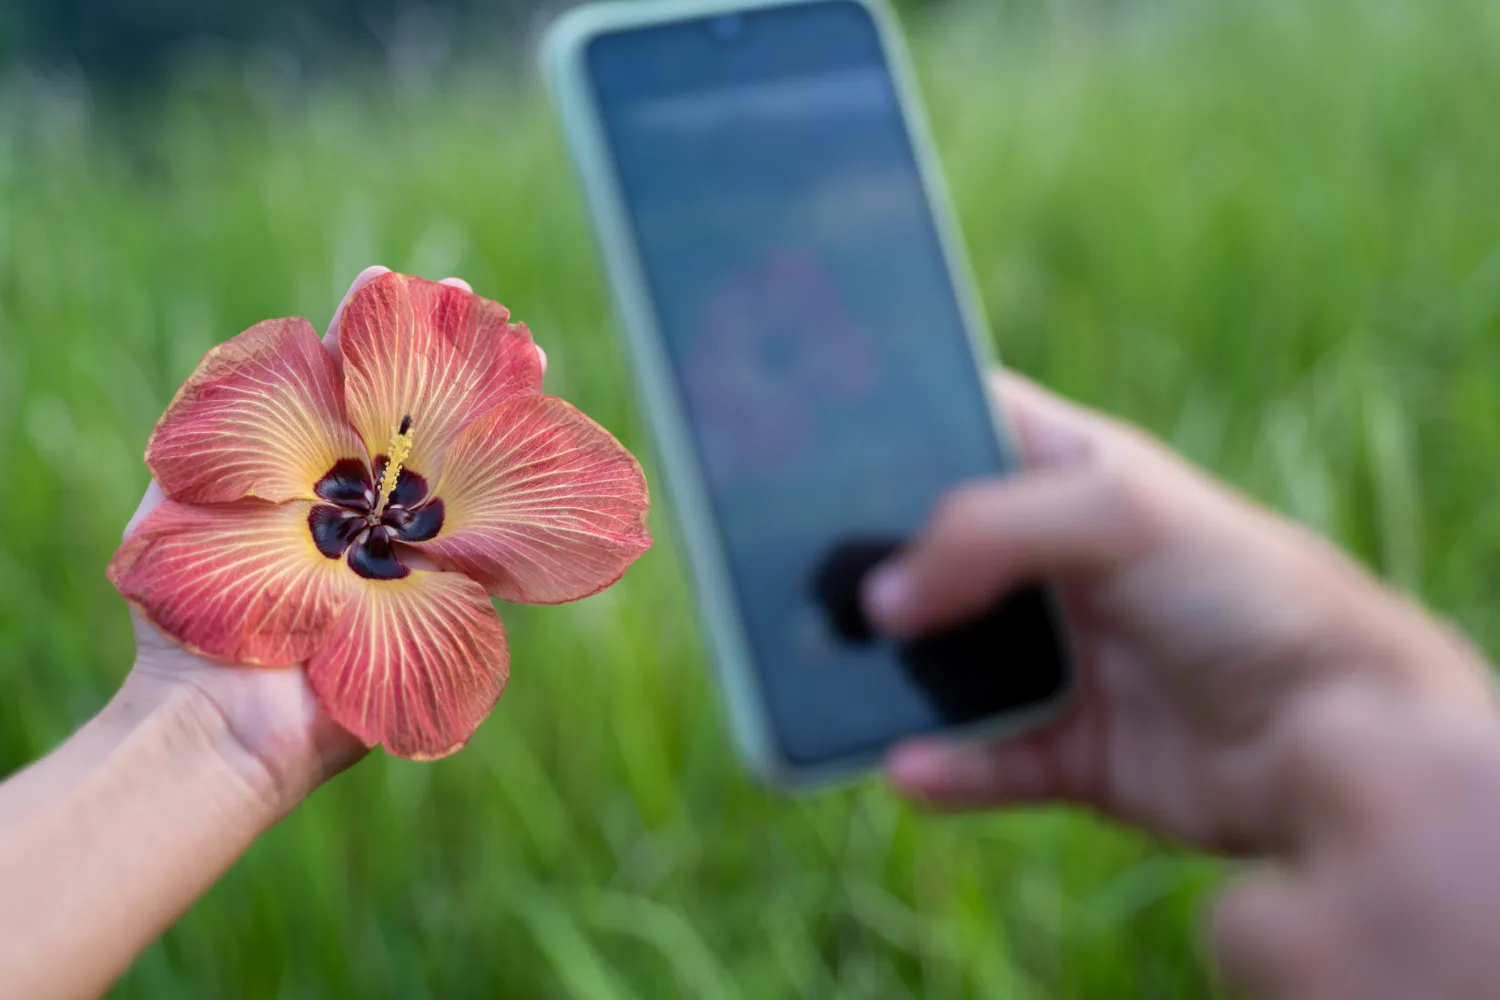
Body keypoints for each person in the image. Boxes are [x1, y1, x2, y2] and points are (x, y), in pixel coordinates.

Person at [2, 269, 1499, 999]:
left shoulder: (442, 525)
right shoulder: (294, 491)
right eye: (376, 496)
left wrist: (201, 732)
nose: (389, 498)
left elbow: (583, 511)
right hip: (290, 554)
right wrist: (1377, 719)